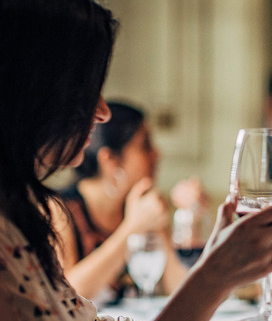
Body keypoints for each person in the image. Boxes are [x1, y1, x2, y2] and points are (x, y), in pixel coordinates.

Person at [0, 0, 272, 321]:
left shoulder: (20, 214)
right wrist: (214, 277)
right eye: (88, 91)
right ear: (34, 89)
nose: (101, 111)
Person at [51, 101, 193, 304]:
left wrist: (188, 218)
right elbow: (67, 295)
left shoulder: (140, 205)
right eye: (145, 144)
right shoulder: (61, 210)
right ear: (110, 160)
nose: (157, 153)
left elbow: (180, 290)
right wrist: (132, 229)